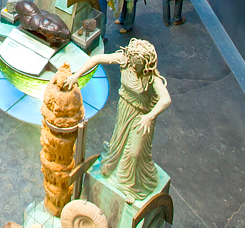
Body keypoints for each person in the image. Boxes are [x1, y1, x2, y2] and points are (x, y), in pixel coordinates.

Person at [60, 40, 170, 202]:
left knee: (135, 152)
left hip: (142, 117)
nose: (133, 66)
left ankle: (131, 187)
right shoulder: (125, 60)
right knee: (119, 142)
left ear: (146, 64)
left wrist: (150, 116)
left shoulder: (151, 77)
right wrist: (76, 75)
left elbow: (166, 99)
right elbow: (95, 59)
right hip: (125, 109)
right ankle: (115, 170)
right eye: (133, 62)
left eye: (137, 64)